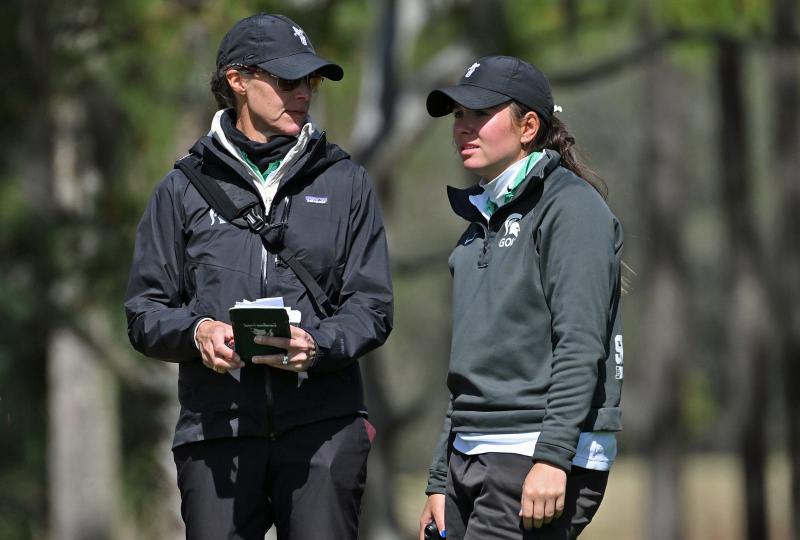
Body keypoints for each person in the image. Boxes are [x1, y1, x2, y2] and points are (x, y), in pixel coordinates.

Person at [124, 13, 393, 539]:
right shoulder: (179, 190)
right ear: (238, 80)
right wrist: (197, 332)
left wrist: (317, 345)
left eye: (310, 81)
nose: (303, 94)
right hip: (216, 433)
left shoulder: (347, 182)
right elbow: (143, 312)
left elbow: (374, 308)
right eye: (288, 80)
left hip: (324, 430)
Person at [418, 55, 624, 539]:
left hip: (536, 453)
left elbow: (579, 344)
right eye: (457, 116)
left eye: (479, 114)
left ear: (528, 125)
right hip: (470, 455)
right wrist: (439, 476)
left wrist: (553, 458)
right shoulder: (478, 223)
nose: (463, 128)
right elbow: (469, 367)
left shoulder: (571, 208)